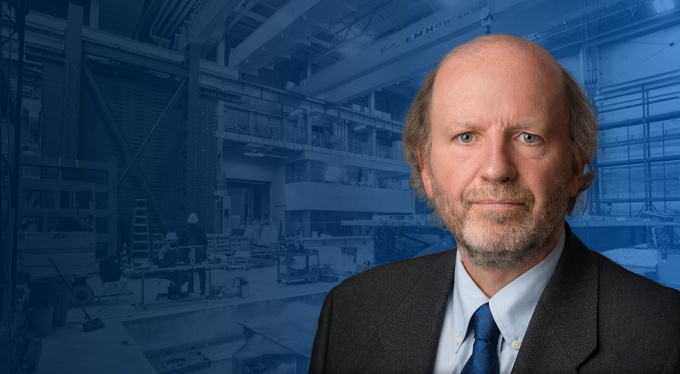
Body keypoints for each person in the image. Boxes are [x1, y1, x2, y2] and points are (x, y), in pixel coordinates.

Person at [310, 34, 680, 373]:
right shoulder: (349, 311)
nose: (496, 169)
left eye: (528, 136)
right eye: (466, 136)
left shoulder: (665, 339)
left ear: (574, 166)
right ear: (426, 168)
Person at [178, 213, 208, 295]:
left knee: (201, 271)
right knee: (189, 272)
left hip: (198, 255)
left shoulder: (201, 231)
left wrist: (203, 252)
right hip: (188, 254)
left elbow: (205, 243)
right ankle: (190, 288)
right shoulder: (185, 231)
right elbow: (180, 243)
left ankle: (202, 289)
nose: (192, 226)